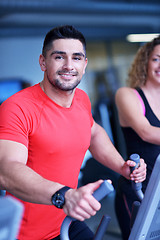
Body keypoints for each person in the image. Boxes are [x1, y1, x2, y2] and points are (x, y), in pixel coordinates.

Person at [0, 25, 146, 240]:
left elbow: (94, 133)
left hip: (68, 221)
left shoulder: (81, 99)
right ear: (43, 62)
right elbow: (6, 171)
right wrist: (64, 195)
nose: (69, 65)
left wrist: (122, 167)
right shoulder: (18, 107)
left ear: (84, 64)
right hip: (29, 234)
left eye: (76, 58)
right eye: (59, 57)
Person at [115, 35, 160, 240]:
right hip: (139, 191)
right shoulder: (127, 94)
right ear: (145, 62)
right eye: (156, 58)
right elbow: (146, 132)